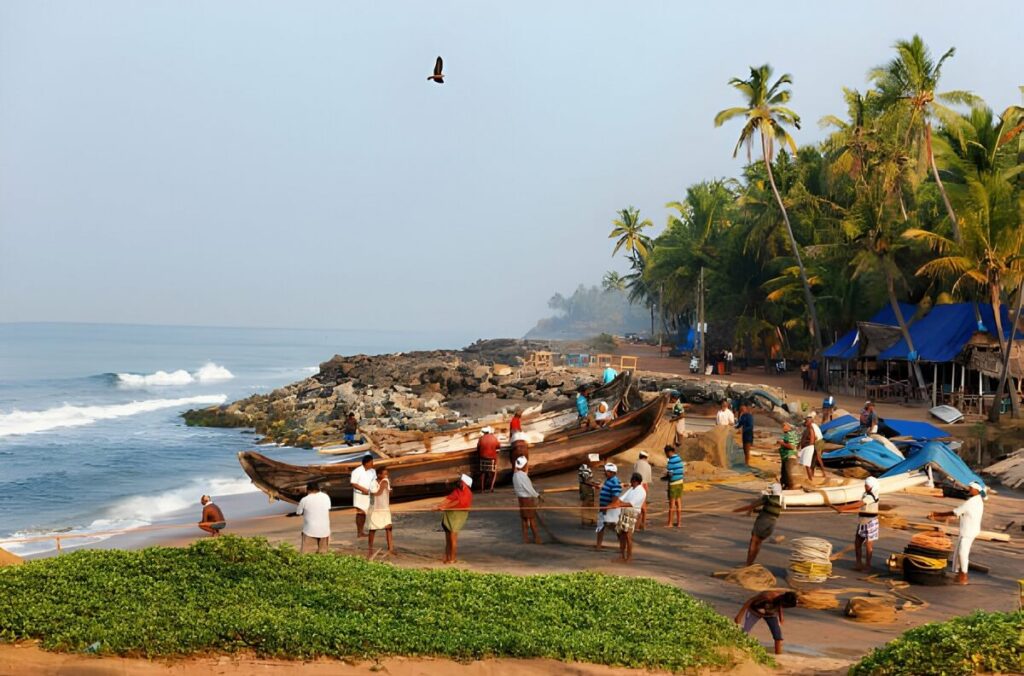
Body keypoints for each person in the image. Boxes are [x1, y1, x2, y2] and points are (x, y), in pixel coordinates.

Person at [929, 481, 985, 585]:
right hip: (967, 530)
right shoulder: (978, 500)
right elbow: (962, 513)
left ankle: (964, 575)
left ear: (976, 490)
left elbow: (955, 512)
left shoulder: (972, 502)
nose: (969, 490)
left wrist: (937, 514)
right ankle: (958, 573)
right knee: (958, 552)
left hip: (969, 531)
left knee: (962, 552)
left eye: (970, 488)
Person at [835, 475, 880, 571]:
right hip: (862, 521)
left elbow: (860, 504)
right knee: (857, 542)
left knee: (868, 544)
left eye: (867, 486)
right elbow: (860, 507)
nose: (865, 487)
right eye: (865, 485)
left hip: (870, 522)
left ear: (872, 486)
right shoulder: (866, 494)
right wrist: (844, 509)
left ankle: (868, 565)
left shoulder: (872, 496)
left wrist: (844, 507)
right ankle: (858, 564)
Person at [735, 590, 798, 655]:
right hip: (755, 611)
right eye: (786, 605)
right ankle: (735, 648)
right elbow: (750, 600)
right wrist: (739, 616)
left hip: (770, 614)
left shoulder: (782, 599)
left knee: (778, 636)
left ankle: (778, 655)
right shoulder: (767, 596)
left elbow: (780, 605)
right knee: (744, 632)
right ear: (783, 600)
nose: (786, 607)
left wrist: (781, 616)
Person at [601, 473, 647, 562]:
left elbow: (631, 504)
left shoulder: (641, 491)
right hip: (624, 512)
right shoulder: (631, 489)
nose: (630, 482)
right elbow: (621, 499)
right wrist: (610, 505)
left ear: (635, 481)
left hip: (631, 514)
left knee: (628, 536)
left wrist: (618, 505)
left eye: (631, 480)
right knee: (621, 534)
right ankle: (622, 555)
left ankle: (629, 557)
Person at [737, 483, 783, 566]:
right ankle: (751, 562)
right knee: (758, 542)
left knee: (753, 542)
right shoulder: (781, 499)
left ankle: (748, 563)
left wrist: (743, 512)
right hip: (772, 523)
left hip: (763, 521)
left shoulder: (768, 498)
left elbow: (753, 504)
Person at [433, 474, 473, 564]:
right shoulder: (457, 490)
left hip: (458, 515)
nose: (459, 482)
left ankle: (453, 558)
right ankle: (447, 557)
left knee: (453, 538)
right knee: (448, 538)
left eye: (461, 481)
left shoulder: (468, 493)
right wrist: (438, 505)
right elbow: (449, 499)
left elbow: (458, 502)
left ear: (465, 483)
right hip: (450, 515)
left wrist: (444, 507)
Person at [512, 456, 542, 545]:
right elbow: (529, 489)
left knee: (524, 519)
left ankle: (525, 539)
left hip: (520, 499)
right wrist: (538, 495)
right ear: (524, 466)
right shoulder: (523, 476)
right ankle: (537, 538)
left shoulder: (515, 475)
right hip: (527, 500)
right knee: (532, 519)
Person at [296, 482, 332, 554]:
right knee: (323, 554)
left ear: (307, 490)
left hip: (309, 531)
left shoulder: (304, 499)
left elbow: (298, 512)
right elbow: (328, 508)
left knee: (306, 554)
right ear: (318, 489)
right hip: (325, 530)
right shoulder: (326, 497)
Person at [366, 468, 394, 557]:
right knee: (372, 529)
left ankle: (391, 549)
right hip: (375, 509)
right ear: (378, 475)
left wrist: (389, 490)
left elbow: (388, 493)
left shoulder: (386, 481)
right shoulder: (373, 483)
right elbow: (376, 493)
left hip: (385, 508)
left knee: (389, 528)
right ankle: (370, 549)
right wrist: (383, 486)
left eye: (387, 474)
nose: (386, 476)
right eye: (384, 474)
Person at [595, 463, 622, 550]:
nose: (604, 473)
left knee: (615, 527)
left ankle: (622, 546)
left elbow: (615, 498)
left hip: (610, 509)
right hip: (603, 507)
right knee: (600, 526)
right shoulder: (608, 480)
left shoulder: (615, 482)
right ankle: (598, 546)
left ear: (612, 472)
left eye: (606, 471)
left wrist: (608, 508)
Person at [350, 454, 376, 538]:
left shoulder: (373, 471)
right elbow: (353, 483)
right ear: (366, 463)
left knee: (367, 513)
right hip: (360, 495)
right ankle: (359, 532)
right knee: (360, 513)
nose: (372, 464)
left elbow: (374, 481)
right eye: (371, 462)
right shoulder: (356, 471)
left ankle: (365, 531)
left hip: (370, 494)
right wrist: (363, 489)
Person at [798, 413, 825, 481]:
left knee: (818, 458)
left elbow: (815, 437)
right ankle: (812, 474)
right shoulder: (812, 425)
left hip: (819, 441)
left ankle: (823, 472)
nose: (805, 423)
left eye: (806, 421)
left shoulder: (811, 427)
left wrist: (809, 445)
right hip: (818, 441)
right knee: (813, 458)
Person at [663, 444, 684, 528]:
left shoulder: (671, 461)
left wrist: (665, 476)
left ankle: (670, 523)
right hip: (680, 482)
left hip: (673, 484)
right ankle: (679, 523)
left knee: (671, 504)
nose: (666, 455)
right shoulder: (679, 458)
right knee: (678, 503)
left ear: (668, 452)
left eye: (666, 453)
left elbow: (670, 474)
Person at [577, 453, 600, 528]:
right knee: (586, 504)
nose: (596, 463)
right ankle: (585, 521)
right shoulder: (585, 468)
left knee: (590, 504)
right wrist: (595, 485)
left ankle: (590, 520)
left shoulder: (586, 468)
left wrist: (594, 483)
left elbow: (588, 479)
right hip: (586, 488)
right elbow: (586, 481)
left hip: (587, 487)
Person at [632, 450, 653, 530]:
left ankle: (637, 524)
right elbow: (647, 481)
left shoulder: (636, 464)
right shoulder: (648, 466)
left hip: (636, 486)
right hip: (643, 486)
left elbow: (634, 476)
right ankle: (642, 524)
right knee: (643, 507)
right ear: (646, 457)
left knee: (637, 507)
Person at [476, 426, 500, 492]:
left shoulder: (481, 438)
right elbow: (498, 447)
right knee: (494, 472)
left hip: (483, 457)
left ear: (484, 432)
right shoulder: (494, 438)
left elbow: (478, 448)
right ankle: (491, 487)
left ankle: (482, 489)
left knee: (482, 472)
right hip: (492, 458)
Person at [778, 422, 800, 489]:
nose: (782, 428)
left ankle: (791, 487)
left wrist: (782, 443)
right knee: (784, 473)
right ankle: (785, 486)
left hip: (789, 456)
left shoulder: (790, 434)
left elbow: (792, 446)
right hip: (786, 456)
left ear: (788, 427)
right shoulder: (790, 434)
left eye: (784, 426)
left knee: (788, 473)